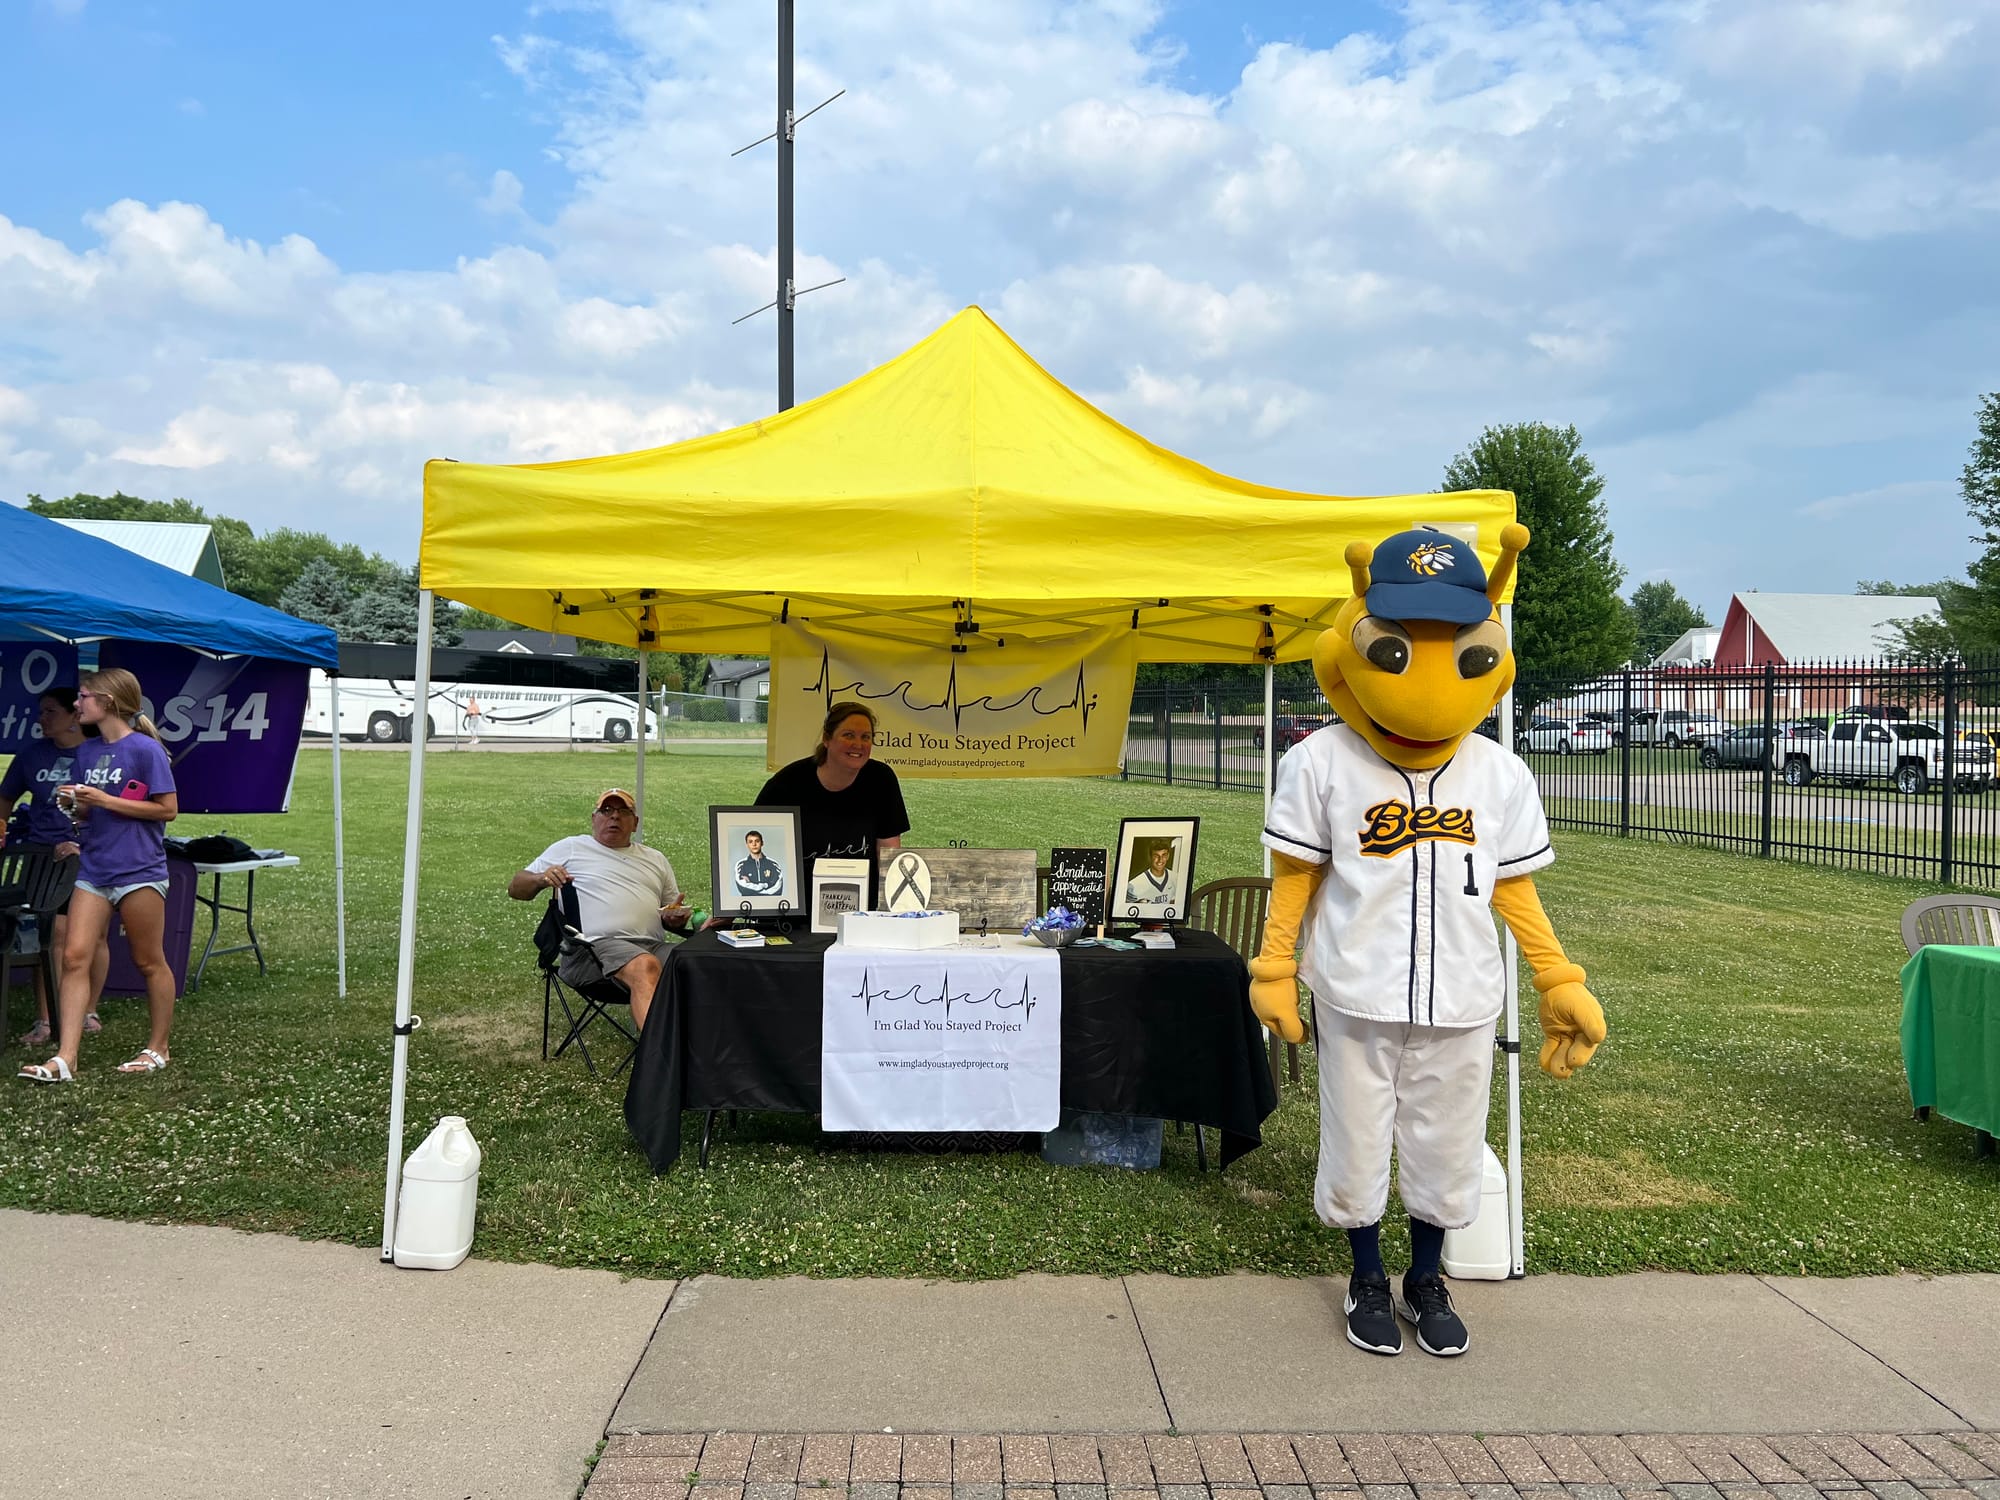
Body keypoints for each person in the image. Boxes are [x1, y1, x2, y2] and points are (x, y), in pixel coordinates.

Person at [1250, 526, 1604, 1360]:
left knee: (1446, 1146)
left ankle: (1427, 1276)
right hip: (1355, 986)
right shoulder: (1320, 761)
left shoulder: (1499, 771)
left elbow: (1514, 884)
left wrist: (1557, 976)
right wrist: (1273, 965)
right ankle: (1366, 1274)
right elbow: (1294, 872)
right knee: (1357, 1137)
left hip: (1466, 992)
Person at [19, 669, 180, 1084]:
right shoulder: (87, 753)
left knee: (148, 961)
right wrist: (78, 808)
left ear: (107, 703)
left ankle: (158, 1048)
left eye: (84, 697)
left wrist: (104, 799)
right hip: (95, 868)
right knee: (73, 958)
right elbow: (94, 813)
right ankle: (66, 1058)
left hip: (139, 870)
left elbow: (167, 810)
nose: (77, 704)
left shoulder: (146, 750)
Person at [507, 788, 689, 1031]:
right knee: (645, 965)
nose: (614, 816)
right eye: (606, 810)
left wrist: (674, 918)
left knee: (699, 964)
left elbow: (669, 910)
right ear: (594, 819)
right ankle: (661, 1059)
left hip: (652, 945)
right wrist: (542, 878)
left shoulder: (655, 858)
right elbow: (516, 888)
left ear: (635, 823)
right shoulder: (572, 847)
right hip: (593, 951)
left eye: (623, 811)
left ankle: (709, 1049)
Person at [0, 688, 109, 1047]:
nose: (41, 718)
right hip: (43, 857)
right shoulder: (32, 755)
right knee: (50, 936)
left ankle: (88, 1010)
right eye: (40, 711)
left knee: (93, 936)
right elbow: (6, 797)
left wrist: (84, 841)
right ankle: (47, 1019)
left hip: (89, 856)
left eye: (49, 711)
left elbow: (113, 807)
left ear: (74, 715)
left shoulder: (98, 754)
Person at [756, 700, 909, 906]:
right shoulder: (787, 784)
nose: (858, 744)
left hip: (863, 909)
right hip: (798, 910)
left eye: (866, 737)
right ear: (827, 739)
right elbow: (754, 843)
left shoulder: (881, 779)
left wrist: (891, 909)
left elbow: (889, 854)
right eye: (848, 735)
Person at [733, 830, 783, 898]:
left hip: (770, 905)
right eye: (750, 842)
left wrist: (751, 885)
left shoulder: (773, 864)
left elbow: (777, 888)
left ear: (762, 843)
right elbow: (743, 888)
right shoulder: (741, 865)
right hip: (749, 906)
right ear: (747, 845)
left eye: (757, 841)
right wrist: (767, 885)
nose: (754, 844)